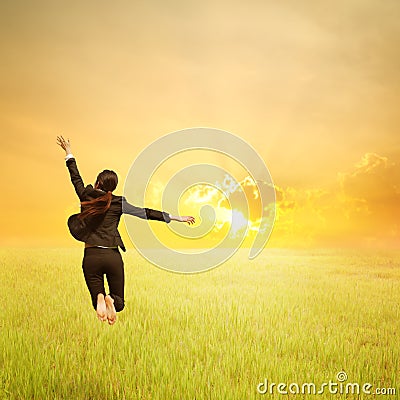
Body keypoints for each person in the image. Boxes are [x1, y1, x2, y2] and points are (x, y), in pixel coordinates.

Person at [57, 136, 195, 325]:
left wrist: (69, 153)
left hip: (91, 256)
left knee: (95, 293)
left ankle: (99, 297)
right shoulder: (118, 202)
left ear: (97, 183)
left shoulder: (85, 195)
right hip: (112, 257)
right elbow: (145, 212)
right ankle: (111, 300)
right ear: (113, 188)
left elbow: (76, 177)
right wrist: (175, 217)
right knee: (119, 303)